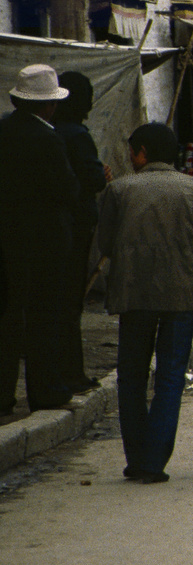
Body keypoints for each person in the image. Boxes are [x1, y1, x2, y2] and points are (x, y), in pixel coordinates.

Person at [94, 123, 193, 484]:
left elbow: (105, 244)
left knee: (131, 376)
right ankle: (155, 459)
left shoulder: (119, 190)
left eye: (132, 152)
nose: (130, 158)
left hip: (134, 294)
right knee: (170, 376)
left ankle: (137, 455)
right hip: (181, 294)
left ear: (142, 152)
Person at [0, 64, 79, 415]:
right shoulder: (49, 139)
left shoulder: (3, 131)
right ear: (48, 105)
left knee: (7, 316)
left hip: (6, 238)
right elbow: (67, 190)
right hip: (45, 242)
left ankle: (2, 395)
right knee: (44, 317)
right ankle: (44, 390)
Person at [50, 71, 108, 392]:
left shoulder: (45, 130)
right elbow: (92, 179)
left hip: (42, 228)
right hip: (73, 229)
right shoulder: (76, 135)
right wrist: (100, 174)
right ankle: (70, 374)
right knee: (70, 303)